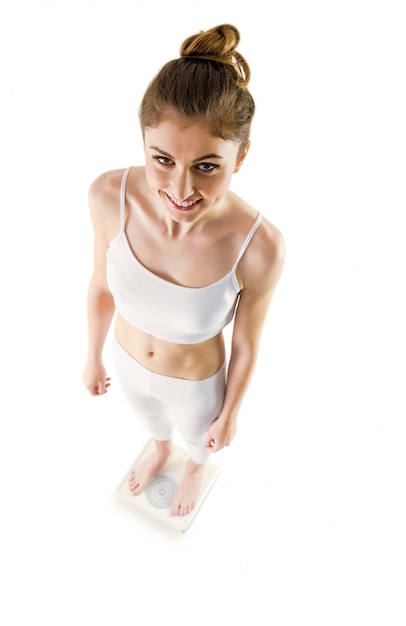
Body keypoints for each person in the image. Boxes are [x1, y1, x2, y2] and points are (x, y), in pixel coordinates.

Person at [83, 23, 285, 517]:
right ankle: (160, 450)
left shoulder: (259, 246)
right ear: (144, 143)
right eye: (163, 159)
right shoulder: (109, 195)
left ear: (241, 157)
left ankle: (193, 465)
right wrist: (92, 356)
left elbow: (245, 342)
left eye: (207, 166)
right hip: (127, 364)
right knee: (150, 423)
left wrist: (231, 413)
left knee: (200, 442)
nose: (180, 188)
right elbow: (100, 287)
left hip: (197, 384)